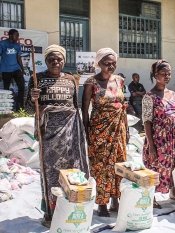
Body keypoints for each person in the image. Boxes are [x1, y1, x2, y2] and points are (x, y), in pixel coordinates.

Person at [25, 44, 89, 227]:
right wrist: (33, 98)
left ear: (64, 61)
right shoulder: (37, 79)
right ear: (45, 61)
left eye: (59, 59)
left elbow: (74, 108)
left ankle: (71, 206)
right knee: (50, 172)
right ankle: (51, 212)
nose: (55, 62)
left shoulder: (70, 80)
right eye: (51, 59)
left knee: (71, 171)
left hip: (69, 135)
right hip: (48, 134)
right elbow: (30, 108)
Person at [82, 48, 128, 217]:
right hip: (100, 130)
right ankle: (102, 202)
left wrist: (126, 129)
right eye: (107, 63)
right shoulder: (91, 82)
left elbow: (123, 106)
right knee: (101, 165)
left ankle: (116, 199)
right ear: (99, 64)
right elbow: (85, 108)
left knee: (119, 162)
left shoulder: (120, 81)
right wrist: (86, 131)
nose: (111, 66)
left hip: (119, 129)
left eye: (113, 63)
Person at [142, 59, 175, 207]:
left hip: (174, 138)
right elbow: (147, 121)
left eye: (169, 74)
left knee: (174, 164)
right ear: (155, 74)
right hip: (158, 139)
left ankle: (173, 192)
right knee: (155, 165)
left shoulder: (173, 94)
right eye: (163, 73)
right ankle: (151, 197)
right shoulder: (149, 96)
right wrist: (151, 146)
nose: (167, 76)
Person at [0, 29, 25, 110]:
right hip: (6, 70)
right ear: (10, 35)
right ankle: (6, 108)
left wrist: (22, 68)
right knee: (6, 89)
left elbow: (19, 58)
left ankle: (20, 106)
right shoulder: (2, 44)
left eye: (18, 35)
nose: (17, 37)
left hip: (16, 69)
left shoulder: (17, 45)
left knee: (21, 86)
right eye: (16, 35)